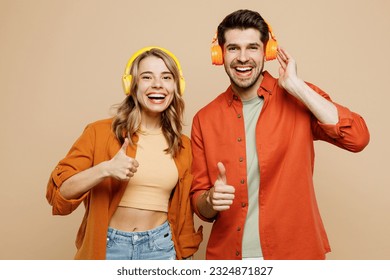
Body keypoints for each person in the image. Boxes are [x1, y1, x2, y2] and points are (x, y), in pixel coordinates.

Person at [190, 9, 370, 260]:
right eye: (233, 48)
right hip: (229, 257)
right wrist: (210, 199)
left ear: (267, 51)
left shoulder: (298, 97)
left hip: (294, 254)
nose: (243, 58)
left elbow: (357, 138)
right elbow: (201, 206)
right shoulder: (204, 119)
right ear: (220, 54)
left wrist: (297, 87)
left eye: (252, 47)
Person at [46, 47, 203, 260]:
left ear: (177, 86)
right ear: (132, 85)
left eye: (166, 77)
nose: (158, 84)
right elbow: (60, 196)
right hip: (109, 247)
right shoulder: (98, 133)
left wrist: (185, 256)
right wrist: (104, 169)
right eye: (147, 77)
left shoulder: (183, 146)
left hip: (161, 248)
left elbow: (184, 215)